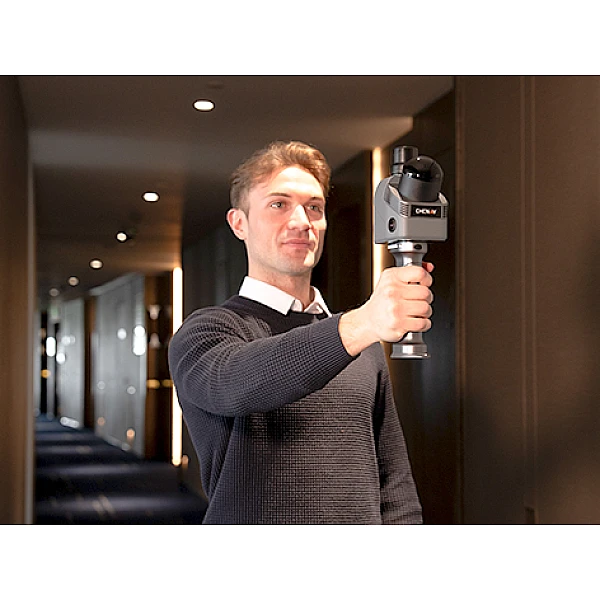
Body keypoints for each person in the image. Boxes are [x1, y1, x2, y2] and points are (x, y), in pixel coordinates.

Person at [168, 140, 434, 524]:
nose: (301, 221)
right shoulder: (206, 332)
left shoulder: (364, 346)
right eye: (279, 204)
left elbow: (394, 485)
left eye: (314, 207)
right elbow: (238, 383)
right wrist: (362, 323)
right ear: (239, 223)